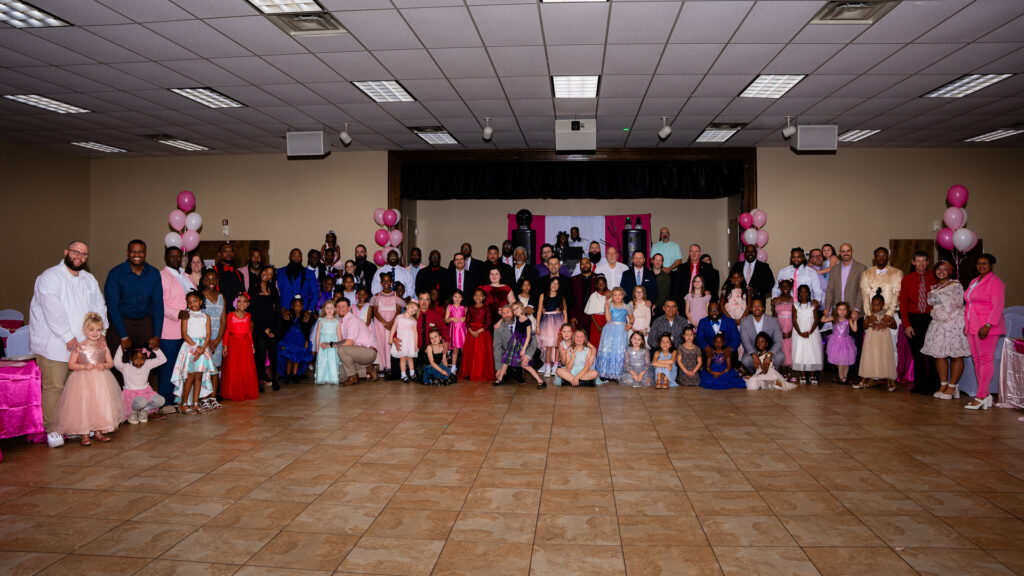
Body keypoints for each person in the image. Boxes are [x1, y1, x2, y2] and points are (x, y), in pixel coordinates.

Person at [29, 240, 108, 448]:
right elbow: (52, 309)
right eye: (75, 252)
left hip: (85, 344)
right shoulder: (49, 277)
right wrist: (67, 335)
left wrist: (102, 332)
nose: (79, 257)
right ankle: (53, 429)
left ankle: (76, 426)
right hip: (55, 343)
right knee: (55, 386)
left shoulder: (89, 279)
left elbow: (99, 306)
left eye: (84, 254)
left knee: (80, 390)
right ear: (66, 252)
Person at [51, 312, 124, 445]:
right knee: (84, 404)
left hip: (101, 380)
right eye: (91, 330)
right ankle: (84, 433)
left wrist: (104, 365)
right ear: (85, 331)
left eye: (98, 330)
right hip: (82, 381)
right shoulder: (80, 347)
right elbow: (71, 365)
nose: (95, 333)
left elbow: (111, 363)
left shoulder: (103, 347)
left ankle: (98, 431)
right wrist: (84, 367)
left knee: (99, 403)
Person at [104, 239, 163, 382]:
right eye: (133, 251)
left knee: (146, 361)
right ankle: (120, 396)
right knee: (118, 362)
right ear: (127, 253)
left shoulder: (153, 273)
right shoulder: (115, 273)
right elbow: (113, 306)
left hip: (144, 321)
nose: (137, 254)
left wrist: (157, 334)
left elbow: (157, 305)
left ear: (145, 253)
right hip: (121, 321)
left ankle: (141, 394)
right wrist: (123, 335)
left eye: (141, 251)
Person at [921, 261, 970, 400]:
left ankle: (953, 386)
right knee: (939, 354)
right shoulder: (937, 286)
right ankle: (943, 384)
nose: (941, 271)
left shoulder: (955, 285)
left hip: (953, 324)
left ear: (950, 271)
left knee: (955, 355)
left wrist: (945, 316)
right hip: (939, 324)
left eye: (945, 269)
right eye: (938, 269)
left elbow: (957, 304)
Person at [963, 253, 1005, 410]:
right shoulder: (975, 281)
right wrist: (966, 324)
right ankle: (985, 394)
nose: (981, 266)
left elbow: (998, 305)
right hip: (973, 326)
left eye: (985, 263)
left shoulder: (995, 282)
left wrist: (988, 325)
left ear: (992, 265)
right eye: (979, 263)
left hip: (987, 327)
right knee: (977, 360)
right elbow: (969, 304)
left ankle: (981, 396)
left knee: (985, 360)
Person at [900, 251, 939, 394]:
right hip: (914, 319)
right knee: (918, 353)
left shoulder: (935, 278)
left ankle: (935, 384)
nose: (921, 264)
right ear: (913, 262)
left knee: (933, 353)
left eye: (924, 261)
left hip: (931, 318)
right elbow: (903, 304)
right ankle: (920, 384)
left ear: (928, 262)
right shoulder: (907, 280)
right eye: (918, 261)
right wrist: (907, 324)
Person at [171, 291, 216, 414]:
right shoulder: (187, 315)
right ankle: (184, 404)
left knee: (199, 376)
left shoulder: (206, 317)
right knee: (190, 375)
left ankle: (196, 403)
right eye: (189, 302)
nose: (192, 304)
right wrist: (196, 347)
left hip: (203, 348)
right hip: (191, 347)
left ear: (201, 302)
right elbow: (184, 334)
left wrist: (203, 348)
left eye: (195, 301)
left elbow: (208, 334)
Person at [157, 247, 188, 409]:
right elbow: (160, 303)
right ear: (165, 258)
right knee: (168, 366)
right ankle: (165, 400)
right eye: (172, 256)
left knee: (182, 367)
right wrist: (177, 313)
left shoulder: (185, 275)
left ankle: (178, 397)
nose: (175, 259)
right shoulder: (162, 276)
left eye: (178, 256)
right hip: (170, 329)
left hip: (187, 330)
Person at [494, 302, 544, 388]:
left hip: (521, 347)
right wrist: (498, 368)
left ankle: (540, 381)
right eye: (503, 313)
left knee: (524, 364)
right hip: (512, 346)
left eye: (509, 312)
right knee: (505, 361)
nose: (506, 315)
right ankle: (500, 378)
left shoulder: (525, 320)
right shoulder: (501, 325)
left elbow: (531, 338)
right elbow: (497, 347)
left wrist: (526, 353)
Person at [856, 291, 897, 391]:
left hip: (883, 338)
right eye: (873, 305)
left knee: (884, 357)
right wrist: (870, 324)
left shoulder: (887, 314)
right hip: (872, 338)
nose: (875, 307)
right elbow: (864, 326)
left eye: (878, 305)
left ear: (883, 305)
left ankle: (889, 381)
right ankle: (863, 380)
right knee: (870, 357)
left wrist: (885, 324)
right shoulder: (869, 315)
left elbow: (894, 326)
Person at [114, 346, 167, 424]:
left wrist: (156, 349)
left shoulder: (148, 364)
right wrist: (121, 348)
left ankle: (145, 410)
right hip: (132, 395)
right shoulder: (125, 367)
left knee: (161, 400)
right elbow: (116, 362)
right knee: (142, 402)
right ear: (131, 358)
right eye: (136, 358)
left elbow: (163, 360)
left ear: (146, 359)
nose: (139, 361)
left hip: (146, 392)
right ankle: (133, 412)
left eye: (142, 358)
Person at [221, 293, 259, 401]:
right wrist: (225, 346)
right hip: (233, 344)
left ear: (248, 304)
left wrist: (252, 345)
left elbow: (249, 332)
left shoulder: (248, 316)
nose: (241, 303)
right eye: (239, 301)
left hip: (245, 344)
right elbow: (227, 331)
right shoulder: (230, 315)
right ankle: (232, 391)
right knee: (234, 367)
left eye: (244, 301)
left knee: (245, 367)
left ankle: (245, 390)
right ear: (235, 303)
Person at [335, 297, 379, 385]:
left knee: (341, 349)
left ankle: (353, 377)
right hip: (356, 353)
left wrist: (331, 344)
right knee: (339, 374)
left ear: (349, 308)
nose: (340, 309)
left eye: (343, 306)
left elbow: (349, 342)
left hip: (368, 352)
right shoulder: (340, 321)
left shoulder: (352, 320)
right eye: (338, 307)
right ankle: (367, 370)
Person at [252, 265, 281, 391]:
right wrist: (265, 328)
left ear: (272, 277)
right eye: (265, 271)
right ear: (261, 272)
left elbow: (277, 310)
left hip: (272, 327)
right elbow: (253, 310)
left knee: (273, 356)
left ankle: (275, 380)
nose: (267, 274)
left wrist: (274, 329)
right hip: (260, 328)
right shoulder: (253, 287)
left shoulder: (273, 289)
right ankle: (258, 382)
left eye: (270, 273)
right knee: (260, 356)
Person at [370, 272, 404, 379]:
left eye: (388, 281)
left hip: (392, 322)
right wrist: (384, 322)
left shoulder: (395, 295)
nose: (386, 283)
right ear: (380, 283)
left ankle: (390, 367)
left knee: (389, 344)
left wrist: (391, 322)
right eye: (384, 281)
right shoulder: (377, 296)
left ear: (391, 282)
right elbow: (374, 311)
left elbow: (398, 310)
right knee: (380, 343)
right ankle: (382, 366)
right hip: (380, 322)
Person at [200, 269, 225, 409]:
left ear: (217, 281)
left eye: (213, 279)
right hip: (205, 339)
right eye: (208, 279)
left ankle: (213, 397)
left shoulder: (221, 297)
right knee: (205, 370)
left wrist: (217, 340)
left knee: (216, 368)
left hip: (218, 339)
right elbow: (201, 320)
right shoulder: (200, 296)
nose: (211, 282)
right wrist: (209, 341)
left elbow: (223, 321)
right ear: (203, 281)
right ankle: (204, 398)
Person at [738, 298, 784, 375]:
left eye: (759, 306)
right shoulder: (744, 321)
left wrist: (769, 355)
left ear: (763, 308)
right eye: (754, 306)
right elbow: (745, 341)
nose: (757, 308)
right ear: (750, 309)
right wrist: (754, 356)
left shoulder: (773, 320)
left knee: (780, 357)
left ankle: (773, 374)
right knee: (746, 360)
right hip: (753, 350)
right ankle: (756, 374)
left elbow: (778, 341)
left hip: (769, 350)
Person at [595, 287, 631, 381]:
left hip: (621, 330)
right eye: (615, 295)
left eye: (619, 295)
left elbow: (632, 318)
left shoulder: (627, 306)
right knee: (607, 349)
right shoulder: (610, 305)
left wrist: (630, 324)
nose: (617, 297)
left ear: (623, 296)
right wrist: (606, 308)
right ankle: (604, 372)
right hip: (609, 329)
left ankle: (617, 373)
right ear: (612, 296)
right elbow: (608, 319)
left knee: (619, 350)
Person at [791, 285, 823, 385]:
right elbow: (794, 321)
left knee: (812, 352)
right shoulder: (795, 305)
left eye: (806, 292)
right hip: (799, 333)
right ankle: (803, 375)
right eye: (801, 292)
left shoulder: (813, 305)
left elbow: (816, 320)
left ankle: (812, 375)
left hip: (812, 333)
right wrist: (800, 332)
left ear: (809, 293)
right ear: (798, 294)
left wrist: (810, 332)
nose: (803, 294)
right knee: (800, 352)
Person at [278, 296, 315, 383]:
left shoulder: (304, 316)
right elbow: (283, 328)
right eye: (295, 306)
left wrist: (306, 340)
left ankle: (295, 375)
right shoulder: (288, 314)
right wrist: (282, 341)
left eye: (299, 306)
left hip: (300, 339)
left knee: (297, 358)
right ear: (292, 306)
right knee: (290, 357)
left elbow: (306, 330)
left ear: (302, 306)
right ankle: (287, 375)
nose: (297, 308)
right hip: (289, 339)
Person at [537, 277, 568, 377]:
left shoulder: (561, 296)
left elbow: (565, 311)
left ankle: (555, 366)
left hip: (558, 321)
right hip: (547, 321)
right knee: (548, 345)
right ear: (549, 284)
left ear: (559, 286)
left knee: (557, 344)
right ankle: (547, 367)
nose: (555, 285)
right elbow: (539, 311)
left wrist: (566, 326)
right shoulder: (543, 295)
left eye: (557, 284)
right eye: (553, 283)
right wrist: (537, 325)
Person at [463, 289, 495, 382]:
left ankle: (481, 372)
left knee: (481, 354)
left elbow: (488, 322)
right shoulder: (470, 308)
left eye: (480, 295)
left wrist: (478, 331)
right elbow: (467, 321)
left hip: (482, 334)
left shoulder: (486, 309)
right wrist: (471, 331)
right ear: (473, 297)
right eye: (476, 295)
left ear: (484, 297)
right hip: (471, 333)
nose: (478, 297)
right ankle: (469, 372)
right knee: (471, 353)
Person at [824, 243, 866, 313]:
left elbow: (862, 291)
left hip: (854, 312)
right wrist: (827, 307)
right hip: (837, 312)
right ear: (840, 253)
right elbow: (830, 289)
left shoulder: (861, 268)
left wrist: (857, 309)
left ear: (852, 251)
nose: (846, 253)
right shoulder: (834, 269)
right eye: (843, 251)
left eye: (848, 251)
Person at [825, 302, 859, 384]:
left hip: (846, 343)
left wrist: (855, 321)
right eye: (840, 309)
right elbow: (823, 320)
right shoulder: (834, 318)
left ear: (847, 311)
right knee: (840, 362)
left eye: (844, 310)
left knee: (846, 362)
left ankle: (845, 377)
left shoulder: (848, 320)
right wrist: (826, 314)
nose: (842, 311)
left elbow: (854, 329)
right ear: (836, 311)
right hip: (836, 342)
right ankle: (841, 378)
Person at [390, 300, 420, 382]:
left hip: (410, 341)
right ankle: (403, 375)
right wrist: (390, 338)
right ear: (407, 306)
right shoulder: (399, 317)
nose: (412, 311)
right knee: (402, 358)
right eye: (412, 308)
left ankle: (412, 373)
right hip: (402, 340)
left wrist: (416, 344)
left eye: (415, 310)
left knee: (410, 358)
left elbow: (415, 333)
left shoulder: (413, 320)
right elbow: (393, 328)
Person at [313, 300, 342, 385]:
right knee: (323, 361)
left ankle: (332, 378)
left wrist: (339, 346)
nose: (329, 310)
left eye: (331, 308)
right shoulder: (321, 320)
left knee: (332, 360)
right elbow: (318, 334)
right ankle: (322, 378)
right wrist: (317, 346)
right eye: (327, 308)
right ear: (324, 309)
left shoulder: (336, 321)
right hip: (323, 344)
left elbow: (339, 334)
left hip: (333, 344)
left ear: (335, 310)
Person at [213, 243, 246, 312]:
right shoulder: (212, 271)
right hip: (216, 312)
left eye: (231, 251)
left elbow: (242, 295)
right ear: (219, 254)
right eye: (225, 251)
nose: (229, 253)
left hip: (235, 313)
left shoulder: (239, 274)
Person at [773, 279, 795, 374]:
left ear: (791, 287)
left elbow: (796, 316)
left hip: (790, 326)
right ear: (780, 288)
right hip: (780, 326)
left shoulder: (794, 300)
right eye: (783, 286)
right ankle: (782, 370)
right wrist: (779, 330)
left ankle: (789, 370)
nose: (785, 288)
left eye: (787, 286)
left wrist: (793, 330)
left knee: (790, 347)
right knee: (781, 347)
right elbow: (774, 316)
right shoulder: (776, 300)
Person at [445, 290, 468, 375]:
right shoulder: (450, 307)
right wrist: (451, 319)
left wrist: (465, 319)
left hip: (462, 331)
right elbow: (445, 320)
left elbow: (468, 318)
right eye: (455, 296)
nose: (457, 299)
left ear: (462, 298)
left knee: (464, 350)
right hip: (454, 331)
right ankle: (453, 367)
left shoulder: (464, 307)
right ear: (452, 297)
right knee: (455, 350)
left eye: (459, 297)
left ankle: (465, 367)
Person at [584, 275, 609, 347]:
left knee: (605, 341)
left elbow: (611, 311)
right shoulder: (593, 295)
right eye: (599, 283)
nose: (601, 285)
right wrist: (598, 326)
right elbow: (591, 313)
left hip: (606, 320)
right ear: (596, 285)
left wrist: (605, 325)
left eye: (603, 283)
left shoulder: (609, 295)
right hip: (596, 321)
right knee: (595, 341)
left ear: (606, 284)